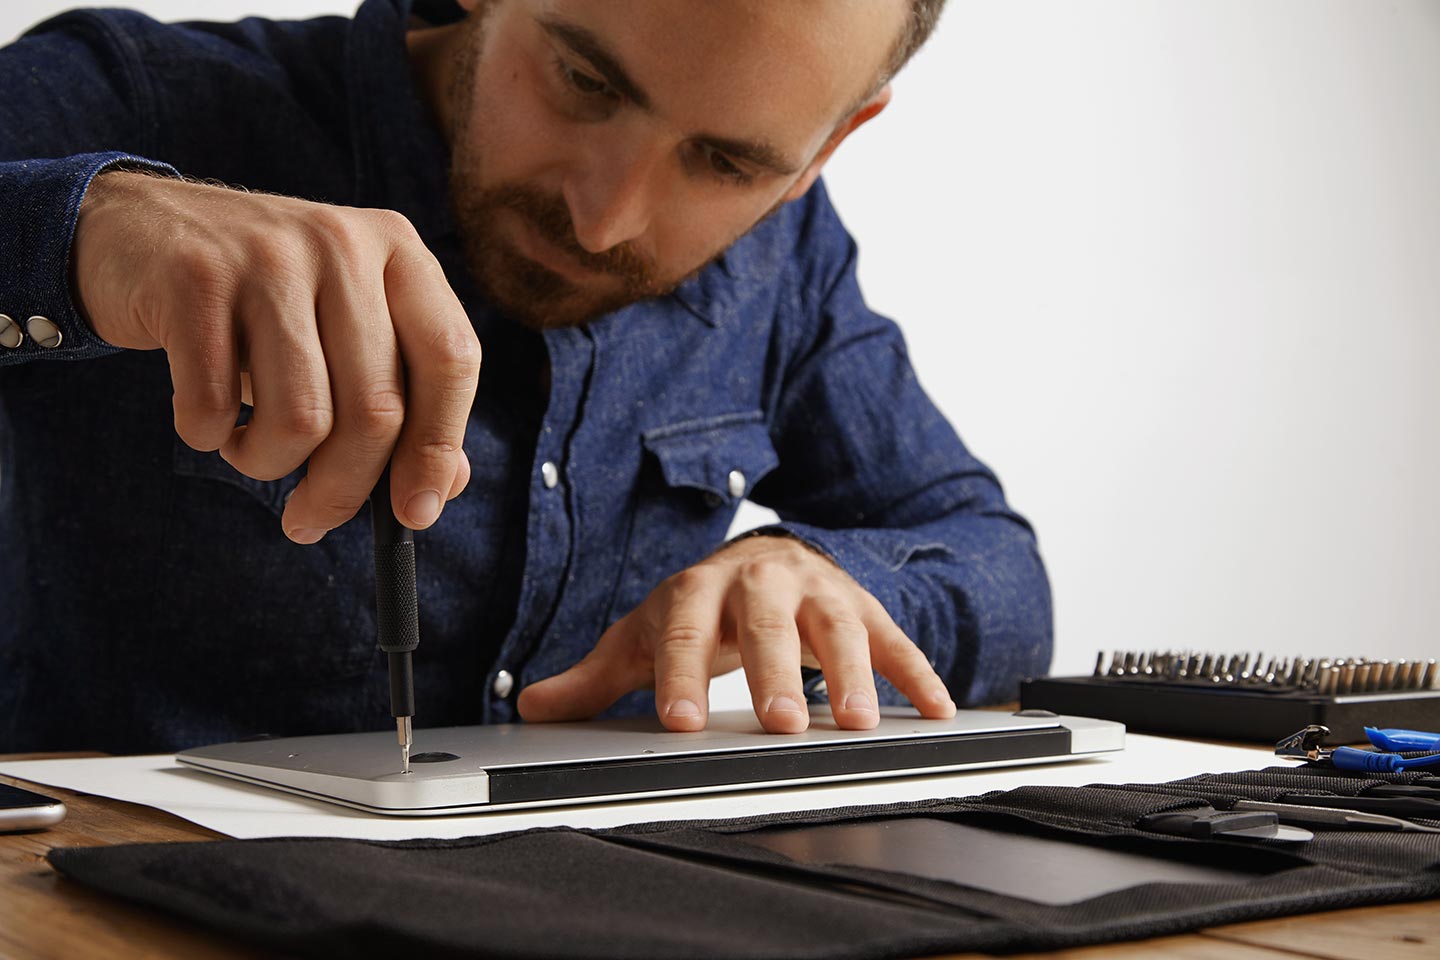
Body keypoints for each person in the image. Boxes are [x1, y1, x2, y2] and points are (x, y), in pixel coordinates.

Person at [0, 0, 1052, 754]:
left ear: (830, 144)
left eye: (727, 164)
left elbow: (998, 571)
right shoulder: (132, 97)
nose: (606, 221)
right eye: (587, 83)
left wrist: (828, 577)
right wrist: (89, 231)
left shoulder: (786, 258)